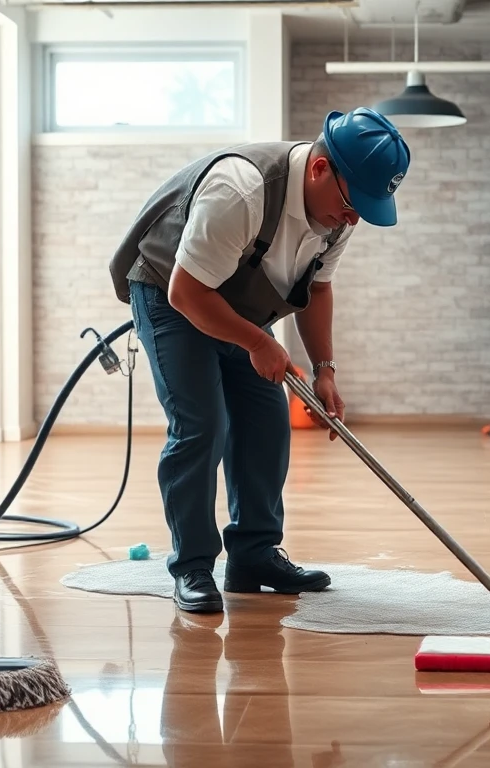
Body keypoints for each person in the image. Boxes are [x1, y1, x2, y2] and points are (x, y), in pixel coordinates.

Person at [108, 107, 411, 613]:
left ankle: (253, 555)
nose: (355, 216)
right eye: (353, 202)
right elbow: (189, 292)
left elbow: (317, 287)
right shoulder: (243, 190)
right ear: (319, 170)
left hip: (238, 302)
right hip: (171, 292)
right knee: (203, 424)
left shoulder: (339, 215)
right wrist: (258, 342)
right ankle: (193, 567)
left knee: (267, 422)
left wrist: (325, 370)